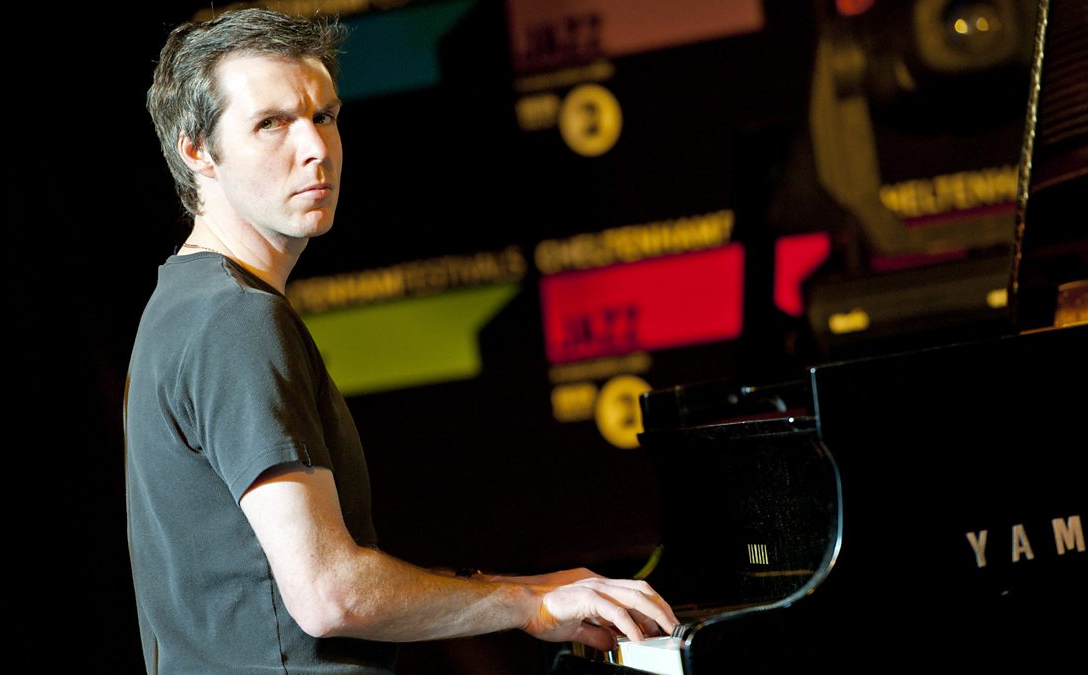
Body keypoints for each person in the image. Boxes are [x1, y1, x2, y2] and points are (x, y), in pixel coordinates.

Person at [125, 8, 676, 673]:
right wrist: (526, 606)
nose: (315, 147)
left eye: (324, 116)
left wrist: (531, 590)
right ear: (197, 152)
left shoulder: (186, 304)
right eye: (271, 123)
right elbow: (329, 594)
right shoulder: (233, 319)